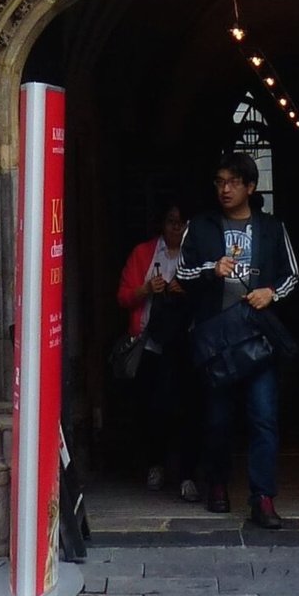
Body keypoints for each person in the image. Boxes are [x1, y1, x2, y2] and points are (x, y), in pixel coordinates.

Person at [177, 152, 298, 529]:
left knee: (263, 418)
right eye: (219, 182)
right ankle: (217, 484)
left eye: (232, 182)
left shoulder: (272, 228)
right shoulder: (200, 227)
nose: (225, 189)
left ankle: (262, 498)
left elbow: (292, 275)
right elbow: (181, 272)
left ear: (250, 187)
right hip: (218, 342)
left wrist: (271, 294)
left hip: (258, 340)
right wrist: (210, 270)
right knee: (218, 419)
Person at [115, 201, 197, 500]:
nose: (176, 227)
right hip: (150, 344)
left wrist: (185, 290)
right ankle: (155, 464)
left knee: (187, 410)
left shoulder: (196, 253)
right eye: (171, 221)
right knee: (152, 410)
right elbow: (123, 297)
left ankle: (188, 474)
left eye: (182, 222)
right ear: (162, 224)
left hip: (186, 343)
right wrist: (147, 289)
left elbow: (212, 294)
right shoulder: (143, 253)